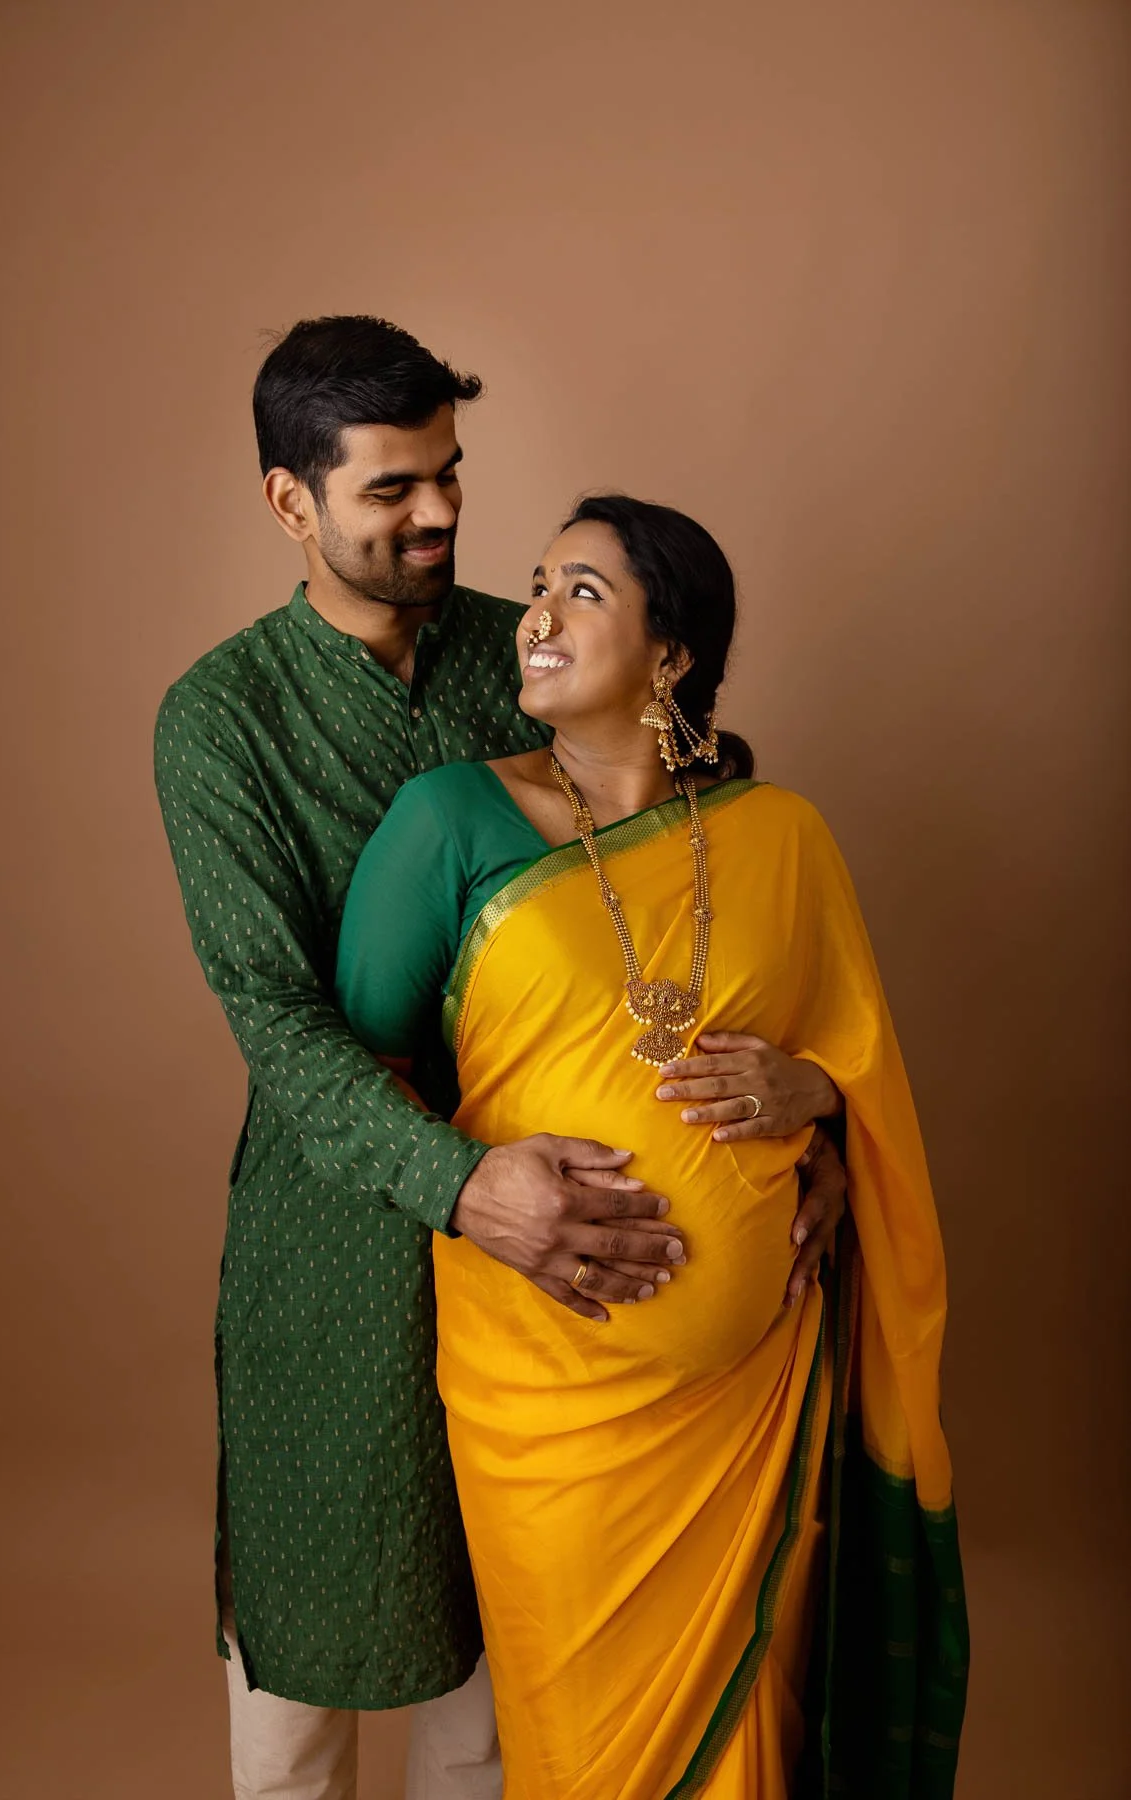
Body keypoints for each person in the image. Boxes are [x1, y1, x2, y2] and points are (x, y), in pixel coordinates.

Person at [155, 317, 847, 1800]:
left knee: (498, 1696)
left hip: (555, 1291)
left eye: (452, 476)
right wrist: (470, 1191)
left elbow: (701, 893)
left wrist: (815, 1112)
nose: (442, 515)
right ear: (292, 502)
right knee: (303, 1708)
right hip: (339, 1247)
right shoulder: (221, 720)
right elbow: (283, 1023)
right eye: (394, 489)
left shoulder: (525, 649)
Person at [336, 495, 969, 1798]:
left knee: (763, 1742)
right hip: (543, 1388)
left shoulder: (779, 836)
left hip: (755, 1398)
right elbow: (353, 1077)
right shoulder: (449, 820)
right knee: (582, 1748)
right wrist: (478, 1194)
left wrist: (823, 1111)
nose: (538, 616)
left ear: (670, 653)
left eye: (581, 590)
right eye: (536, 585)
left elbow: (861, 1072)